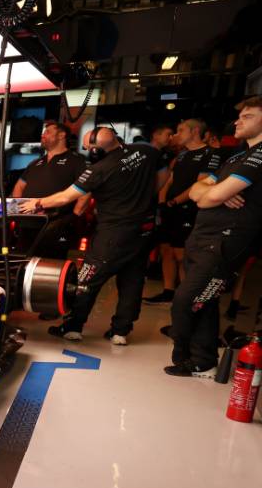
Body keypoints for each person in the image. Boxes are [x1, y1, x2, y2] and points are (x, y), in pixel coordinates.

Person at [28, 126, 157, 344]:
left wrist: (37, 202)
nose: (88, 151)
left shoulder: (99, 169)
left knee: (86, 279)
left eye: (89, 148)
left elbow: (64, 198)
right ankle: (120, 332)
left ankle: (72, 327)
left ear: (96, 151)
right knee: (132, 282)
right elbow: (162, 177)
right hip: (144, 231)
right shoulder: (145, 151)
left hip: (113, 234)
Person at [165, 96, 262, 377]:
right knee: (203, 302)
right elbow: (198, 191)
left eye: (248, 117)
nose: (238, 121)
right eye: (239, 116)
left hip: (225, 240)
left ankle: (184, 356)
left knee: (186, 300)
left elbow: (210, 196)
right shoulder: (237, 156)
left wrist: (215, 193)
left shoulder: (259, 155)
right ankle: (203, 360)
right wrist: (214, 193)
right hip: (202, 236)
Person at [145, 119, 222, 306]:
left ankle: (184, 297)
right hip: (169, 210)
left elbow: (201, 184)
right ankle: (168, 291)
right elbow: (169, 180)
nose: (176, 135)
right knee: (166, 250)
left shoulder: (211, 154)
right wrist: (163, 202)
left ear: (195, 131)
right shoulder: (180, 156)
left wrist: (174, 201)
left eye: (180, 130)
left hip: (189, 211)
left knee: (182, 255)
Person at [12, 121, 88, 266]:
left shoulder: (76, 161)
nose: (43, 135)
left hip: (55, 225)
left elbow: (86, 191)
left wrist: (73, 217)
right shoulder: (35, 163)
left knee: (51, 266)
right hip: (27, 224)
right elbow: (19, 186)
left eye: (47, 132)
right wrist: (17, 210)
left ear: (61, 134)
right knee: (22, 264)